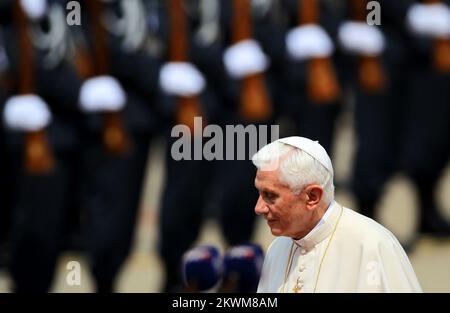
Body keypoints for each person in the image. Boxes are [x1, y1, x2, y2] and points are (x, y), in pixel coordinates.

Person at [253, 136, 422, 292]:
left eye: (270, 195)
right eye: (259, 193)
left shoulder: (372, 245)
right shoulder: (277, 249)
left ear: (312, 197)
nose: (259, 208)